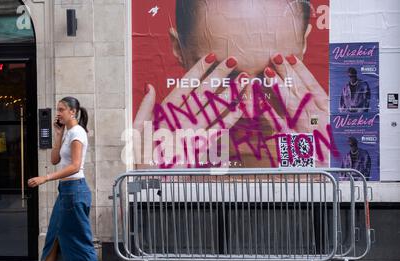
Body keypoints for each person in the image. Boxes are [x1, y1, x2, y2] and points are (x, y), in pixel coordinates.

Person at [133, 0, 330, 168]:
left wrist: (322, 178)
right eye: (226, 78)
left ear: (304, 44)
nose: (251, 109)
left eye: (272, 76)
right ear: (178, 49)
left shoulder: (330, 146)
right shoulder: (148, 148)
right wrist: (158, 189)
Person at [13, 97, 111, 261]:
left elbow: (75, 166)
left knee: (80, 240)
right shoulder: (67, 133)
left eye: (61, 109)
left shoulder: (77, 133)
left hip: (75, 192)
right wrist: (58, 134)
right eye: (57, 110)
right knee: (53, 238)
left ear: (72, 112)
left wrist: (45, 178)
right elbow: (55, 159)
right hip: (67, 192)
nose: (58, 113)